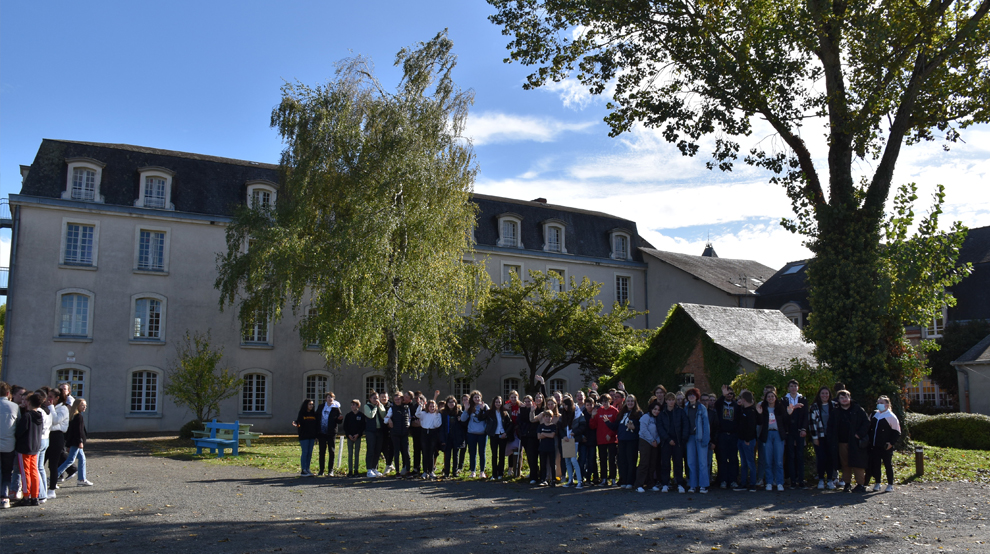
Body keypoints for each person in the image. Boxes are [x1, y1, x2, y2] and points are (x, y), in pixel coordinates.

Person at [834, 390, 870, 492]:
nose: (844, 399)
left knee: (858, 463)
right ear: (838, 399)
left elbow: (866, 422)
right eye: (841, 398)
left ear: (850, 398)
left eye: (846, 397)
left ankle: (860, 484)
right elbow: (832, 426)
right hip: (842, 442)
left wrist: (859, 434)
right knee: (845, 464)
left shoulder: (858, 409)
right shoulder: (836, 411)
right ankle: (847, 484)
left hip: (855, 442)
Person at [756, 389, 790, 491]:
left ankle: (779, 482)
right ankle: (769, 482)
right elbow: (759, 422)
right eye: (768, 396)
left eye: (772, 396)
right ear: (766, 398)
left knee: (779, 460)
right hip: (767, 434)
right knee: (768, 460)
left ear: (775, 398)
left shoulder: (780, 408)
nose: (771, 398)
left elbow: (786, 422)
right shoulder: (764, 409)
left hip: (778, 434)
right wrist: (760, 414)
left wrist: (789, 414)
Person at [14, 392, 44, 506]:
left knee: (25, 473)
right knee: (34, 472)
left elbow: (20, 431)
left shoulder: (27, 416)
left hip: (25, 447)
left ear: (29, 402)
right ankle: (34, 496)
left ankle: (26, 496)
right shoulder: (40, 415)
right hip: (35, 446)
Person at [657, 392, 689, 492]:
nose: (671, 402)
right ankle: (665, 483)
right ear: (666, 401)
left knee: (678, 463)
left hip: (678, 441)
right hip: (666, 442)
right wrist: (667, 439)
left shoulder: (680, 411)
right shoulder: (662, 413)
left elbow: (685, 425)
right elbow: (660, 427)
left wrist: (683, 439)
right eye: (669, 400)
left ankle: (680, 483)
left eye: (672, 400)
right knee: (665, 463)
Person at [867, 396, 901, 492]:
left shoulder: (891, 417)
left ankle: (890, 483)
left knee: (887, 465)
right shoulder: (874, 414)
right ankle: (877, 482)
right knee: (876, 464)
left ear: (887, 405)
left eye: (881, 402)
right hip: (875, 445)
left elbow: (897, 432)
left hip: (886, 446)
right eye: (878, 402)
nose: (879, 404)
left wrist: (891, 443)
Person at [57, 398, 93, 487]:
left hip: (74, 442)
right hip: (76, 442)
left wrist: (69, 444)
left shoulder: (73, 416)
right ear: (77, 406)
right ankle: (54, 476)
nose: (85, 407)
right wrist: (80, 441)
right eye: (82, 405)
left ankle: (81, 479)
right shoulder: (78, 417)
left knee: (82, 459)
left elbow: (71, 432)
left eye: (85, 405)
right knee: (70, 460)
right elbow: (78, 431)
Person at [808, 386, 839, 489]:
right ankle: (821, 479)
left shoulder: (835, 406)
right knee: (821, 458)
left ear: (829, 395)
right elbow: (812, 423)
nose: (824, 395)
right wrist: (815, 437)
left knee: (830, 458)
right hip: (819, 436)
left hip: (831, 437)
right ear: (819, 395)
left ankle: (830, 480)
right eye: (822, 393)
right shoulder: (814, 407)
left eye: (826, 393)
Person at [780, 379, 809, 488]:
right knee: (790, 456)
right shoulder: (784, 400)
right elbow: (783, 416)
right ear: (788, 388)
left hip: (800, 431)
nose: (793, 388)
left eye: (795, 386)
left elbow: (806, 416)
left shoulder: (803, 399)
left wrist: (803, 429)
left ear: (798, 388)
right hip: (789, 431)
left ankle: (801, 480)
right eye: (791, 386)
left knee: (800, 455)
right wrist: (790, 412)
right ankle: (792, 480)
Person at [683, 388, 710, 493]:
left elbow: (706, 425)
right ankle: (693, 485)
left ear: (697, 396)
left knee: (703, 462)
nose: (691, 397)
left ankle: (703, 485)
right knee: (691, 462)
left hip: (700, 437)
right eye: (689, 395)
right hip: (689, 438)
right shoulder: (685, 408)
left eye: (693, 395)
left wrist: (706, 439)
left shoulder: (702, 408)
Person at [590, 394, 619, 486]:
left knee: (612, 459)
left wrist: (610, 434)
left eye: (606, 401)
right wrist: (593, 417)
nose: (604, 403)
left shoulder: (614, 411)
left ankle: (613, 478)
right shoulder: (599, 411)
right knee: (602, 460)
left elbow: (616, 426)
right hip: (601, 439)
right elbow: (593, 426)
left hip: (611, 439)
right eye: (603, 402)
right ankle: (604, 479)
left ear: (610, 401)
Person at [714, 385, 739, 488]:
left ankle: (733, 480)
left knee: (733, 458)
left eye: (731, 393)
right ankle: (723, 480)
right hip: (722, 435)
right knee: (722, 458)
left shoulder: (736, 405)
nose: (729, 395)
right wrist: (722, 395)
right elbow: (716, 404)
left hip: (733, 435)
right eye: (727, 394)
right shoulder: (720, 404)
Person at [460, 390, 490, 478]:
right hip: (471, 433)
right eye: (475, 397)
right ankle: (473, 471)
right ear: (472, 399)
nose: (477, 399)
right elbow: (463, 419)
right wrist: (465, 409)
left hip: (482, 433)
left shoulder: (485, 406)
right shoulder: (469, 407)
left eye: (478, 397)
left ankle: (482, 472)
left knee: (482, 452)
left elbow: (488, 417)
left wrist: (482, 409)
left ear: (481, 398)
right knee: (472, 452)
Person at [46, 387, 69, 497]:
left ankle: (52, 490)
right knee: (41, 462)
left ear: (57, 398)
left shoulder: (63, 409)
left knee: (53, 465)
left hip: (57, 437)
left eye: (51, 397)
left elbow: (55, 421)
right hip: (48, 436)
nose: (48, 399)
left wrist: (51, 407)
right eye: (48, 396)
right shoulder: (51, 408)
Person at [734, 390, 759, 492]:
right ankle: (743, 483)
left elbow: (751, 427)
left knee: (750, 462)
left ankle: (753, 484)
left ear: (744, 399)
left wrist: (748, 439)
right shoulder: (742, 409)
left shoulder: (752, 411)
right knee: (743, 463)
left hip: (748, 440)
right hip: (740, 439)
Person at [558, 397, 585, 488]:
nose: (564, 407)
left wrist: (575, 433)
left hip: (575, 439)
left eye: (566, 405)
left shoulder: (578, 413)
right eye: (563, 405)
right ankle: (570, 480)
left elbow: (583, 425)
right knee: (567, 460)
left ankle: (580, 481)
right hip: (566, 440)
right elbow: (560, 427)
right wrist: (563, 436)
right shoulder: (563, 414)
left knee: (573, 459)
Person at [616, 394, 642, 489]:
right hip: (622, 439)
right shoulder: (622, 413)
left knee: (631, 461)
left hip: (632, 440)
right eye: (628, 401)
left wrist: (634, 428)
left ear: (635, 403)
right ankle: (624, 480)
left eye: (632, 401)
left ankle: (630, 481)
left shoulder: (639, 414)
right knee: (622, 461)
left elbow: (642, 428)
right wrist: (607, 423)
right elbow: (616, 425)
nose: (630, 403)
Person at [1, 382, 20, 509]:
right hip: (8, 444)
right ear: (8, 394)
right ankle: (4, 497)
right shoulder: (14, 407)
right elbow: (18, 425)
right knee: (7, 472)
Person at [635, 401, 661, 493]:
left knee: (652, 463)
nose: (656, 411)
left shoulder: (658, 419)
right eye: (655, 409)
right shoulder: (645, 417)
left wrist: (656, 441)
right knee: (644, 463)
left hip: (655, 443)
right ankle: (639, 484)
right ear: (651, 409)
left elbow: (660, 432)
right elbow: (644, 430)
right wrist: (652, 440)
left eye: (658, 410)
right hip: (645, 441)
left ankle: (651, 484)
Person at [487, 395, 514, 481]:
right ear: (493, 403)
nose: (498, 404)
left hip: (502, 435)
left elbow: (510, 424)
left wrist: (505, 433)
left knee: (502, 455)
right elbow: (481, 417)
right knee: (494, 455)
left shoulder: (505, 413)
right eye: (496, 402)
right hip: (494, 435)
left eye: (499, 402)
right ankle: (494, 474)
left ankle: (501, 473)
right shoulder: (490, 412)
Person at [384, 392, 412, 476]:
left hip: (404, 433)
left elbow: (409, 418)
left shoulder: (407, 408)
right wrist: (389, 420)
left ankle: (407, 470)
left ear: (402, 399)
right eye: (395, 399)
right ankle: (397, 471)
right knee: (396, 452)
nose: (397, 401)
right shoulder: (392, 409)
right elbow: (385, 419)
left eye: (398, 399)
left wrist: (408, 424)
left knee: (406, 452)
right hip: (395, 433)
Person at [315, 393, 343, 477]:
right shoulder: (321, 407)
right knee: (322, 451)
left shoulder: (336, 408)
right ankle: (321, 470)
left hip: (331, 433)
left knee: (331, 451)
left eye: (332, 397)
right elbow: (317, 418)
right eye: (328, 397)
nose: (330, 399)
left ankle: (331, 470)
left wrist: (339, 419)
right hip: (322, 432)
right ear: (325, 398)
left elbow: (339, 421)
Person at [292, 399, 319, 476]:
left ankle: (307, 468)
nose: (311, 406)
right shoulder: (302, 413)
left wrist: (316, 436)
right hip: (304, 436)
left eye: (312, 404)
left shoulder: (314, 414)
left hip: (312, 436)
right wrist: (296, 423)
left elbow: (316, 425)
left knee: (310, 453)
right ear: (306, 405)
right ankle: (303, 470)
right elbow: (299, 422)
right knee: (305, 452)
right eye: (310, 404)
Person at [440, 395, 465, 479]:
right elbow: (442, 426)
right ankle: (446, 472)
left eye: (453, 402)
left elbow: (464, 425)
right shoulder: (443, 413)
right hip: (447, 437)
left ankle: (455, 471)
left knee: (456, 455)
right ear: (446, 403)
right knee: (447, 455)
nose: (451, 404)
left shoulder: (459, 412)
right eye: (449, 402)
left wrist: (460, 421)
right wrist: (442, 439)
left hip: (456, 437)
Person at [418, 397, 443, 480]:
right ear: (427, 407)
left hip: (433, 433)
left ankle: (431, 470)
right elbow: (417, 414)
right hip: (424, 432)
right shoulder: (424, 414)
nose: (432, 408)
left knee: (431, 452)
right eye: (430, 406)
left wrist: (435, 414)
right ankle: (425, 471)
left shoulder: (438, 415)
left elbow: (437, 425)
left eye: (433, 406)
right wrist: (420, 406)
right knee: (425, 452)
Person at [362, 391, 385, 477]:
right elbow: (370, 415)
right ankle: (369, 469)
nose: (376, 400)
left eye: (377, 398)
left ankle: (374, 468)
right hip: (370, 431)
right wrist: (375, 407)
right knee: (371, 449)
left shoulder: (379, 405)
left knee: (377, 450)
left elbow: (383, 415)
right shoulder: (367, 406)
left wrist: (379, 407)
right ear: (370, 399)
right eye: (374, 398)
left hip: (379, 431)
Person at [520, 394, 542, 484]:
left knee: (539, 457)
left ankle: (539, 475)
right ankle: (533, 475)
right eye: (526, 401)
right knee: (531, 457)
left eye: (529, 401)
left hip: (538, 435)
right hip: (528, 436)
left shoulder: (540, 409)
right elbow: (522, 421)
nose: (528, 403)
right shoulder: (523, 410)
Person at [579, 397, 599, 486]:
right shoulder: (582, 414)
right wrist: (581, 436)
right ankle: (581, 477)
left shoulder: (596, 414)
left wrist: (593, 416)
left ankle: (588, 478)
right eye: (587, 405)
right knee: (582, 459)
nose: (589, 407)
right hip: (583, 440)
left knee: (591, 460)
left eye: (591, 405)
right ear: (585, 406)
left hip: (592, 441)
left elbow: (594, 427)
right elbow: (580, 427)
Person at [342, 399, 365, 477]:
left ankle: (356, 470)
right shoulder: (348, 415)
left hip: (357, 437)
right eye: (351, 405)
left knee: (357, 454)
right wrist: (348, 435)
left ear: (358, 406)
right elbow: (345, 426)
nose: (352, 406)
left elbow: (362, 426)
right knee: (350, 453)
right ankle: (350, 470)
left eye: (354, 405)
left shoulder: (361, 415)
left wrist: (358, 434)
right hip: (350, 437)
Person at [537, 410, 557, 486]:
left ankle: (553, 479)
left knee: (552, 464)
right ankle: (543, 479)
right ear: (544, 417)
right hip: (542, 448)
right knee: (543, 464)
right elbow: (539, 436)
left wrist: (544, 434)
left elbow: (552, 435)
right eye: (546, 416)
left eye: (549, 417)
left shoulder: (553, 426)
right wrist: (547, 434)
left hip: (551, 448)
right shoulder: (540, 426)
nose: (548, 418)